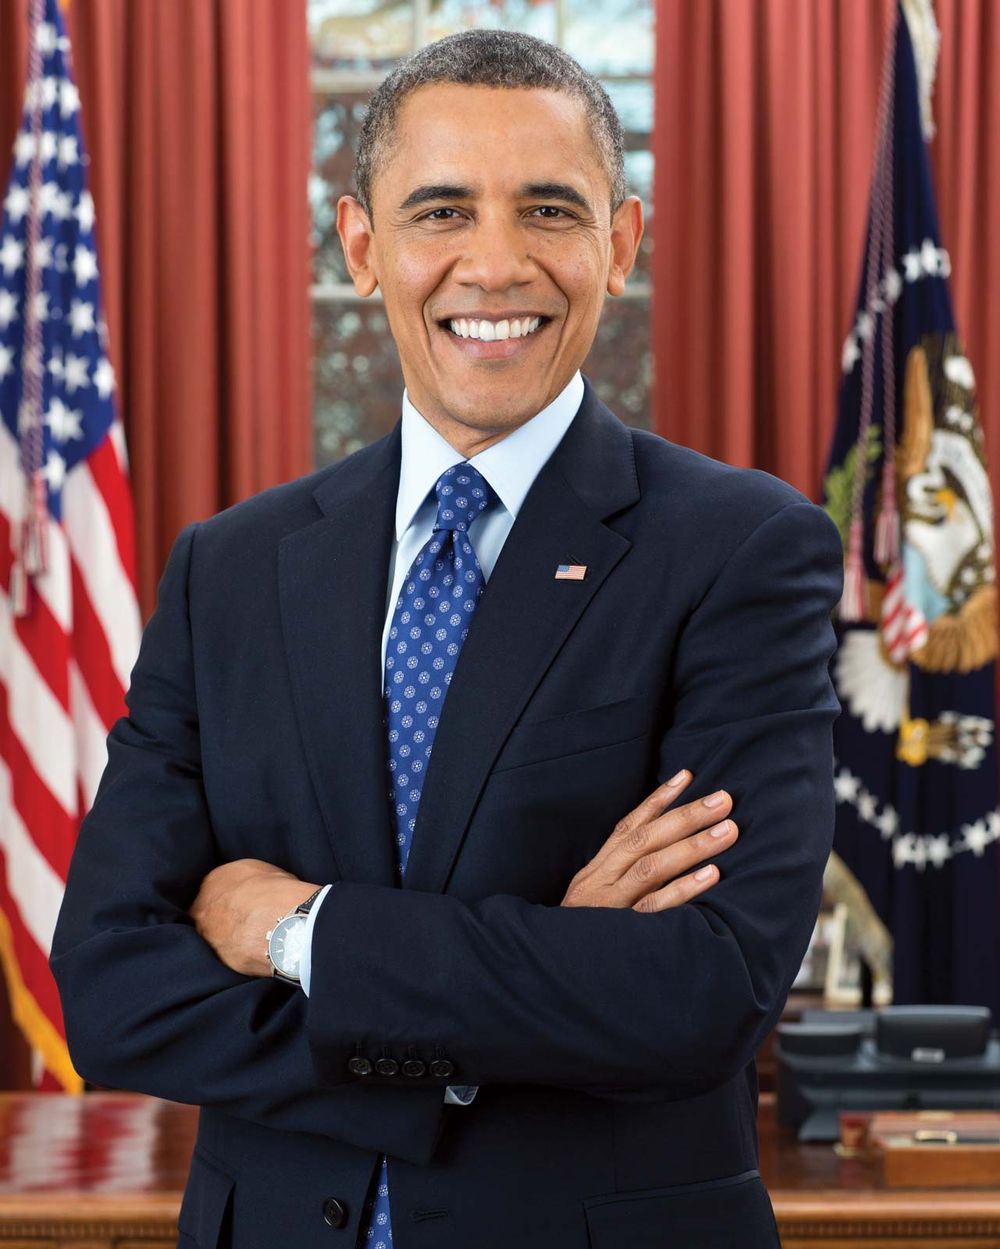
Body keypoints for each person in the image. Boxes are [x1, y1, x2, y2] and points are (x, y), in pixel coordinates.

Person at [50, 29, 843, 1249]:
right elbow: (110, 993)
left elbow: (702, 993)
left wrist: (299, 933)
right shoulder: (233, 569)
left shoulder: (744, 551)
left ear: (620, 244)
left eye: (547, 210)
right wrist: (538, 981)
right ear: (362, 246)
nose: (494, 262)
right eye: (440, 211)